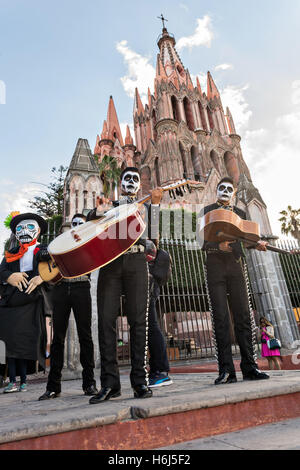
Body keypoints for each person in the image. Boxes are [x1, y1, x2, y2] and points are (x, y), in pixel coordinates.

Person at [87, 167, 163, 404]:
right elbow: (90, 222)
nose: (131, 182)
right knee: (106, 321)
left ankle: (140, 381)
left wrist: (157, 206)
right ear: (120, 183)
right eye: (126, 178)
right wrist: (98, 211)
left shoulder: (147, 206)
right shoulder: (110, 205)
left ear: (139, 185)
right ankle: (110, 384)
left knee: (139, 321)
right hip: (110, 263)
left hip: (137, 261)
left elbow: (156, 238)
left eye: (135, 179)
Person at [200, 177, 270, 384]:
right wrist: (216, 247)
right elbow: (200, 240)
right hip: (215, 267)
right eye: (221, 188)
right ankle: (226, 370)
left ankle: (250, 367)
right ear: (217, 190)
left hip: (236, 265)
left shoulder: (240, 213)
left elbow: (247, 238)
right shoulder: (207, 210)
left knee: (243, 317)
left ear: (233, 192)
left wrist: (257, 244)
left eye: (228, 189)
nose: (224, 191)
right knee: (220, 318)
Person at [39, 214, 98, 400]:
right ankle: (53, 386)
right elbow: (42, 254)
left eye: (81, 223)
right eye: (74, 223)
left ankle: (89, 383)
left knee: (85, 336)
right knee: (58, 338)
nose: (77, 226)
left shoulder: (89, 240)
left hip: (81, 287)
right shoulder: (59, 241)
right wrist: (48, 252)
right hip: (61, 288)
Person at [0, 212, 49, 393]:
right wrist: (9, 276)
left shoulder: (43, 250)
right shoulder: (11, 253)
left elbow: (54, 267)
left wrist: (41, 277)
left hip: (31, 303)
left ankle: (22, 381)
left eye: (29, 227)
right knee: (9, 345)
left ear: (38, 230)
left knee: (25, 344)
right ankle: (11, 381)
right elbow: (1, 271)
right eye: (19, 228)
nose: (24, 231)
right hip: (11, 305)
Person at [147, 241, 173, 388]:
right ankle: (156, 370)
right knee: (148, 329)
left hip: (149, 291)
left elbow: (158, 277)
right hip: (143, 290)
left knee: (152, 328)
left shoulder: (159, 253)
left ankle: (161, 371)